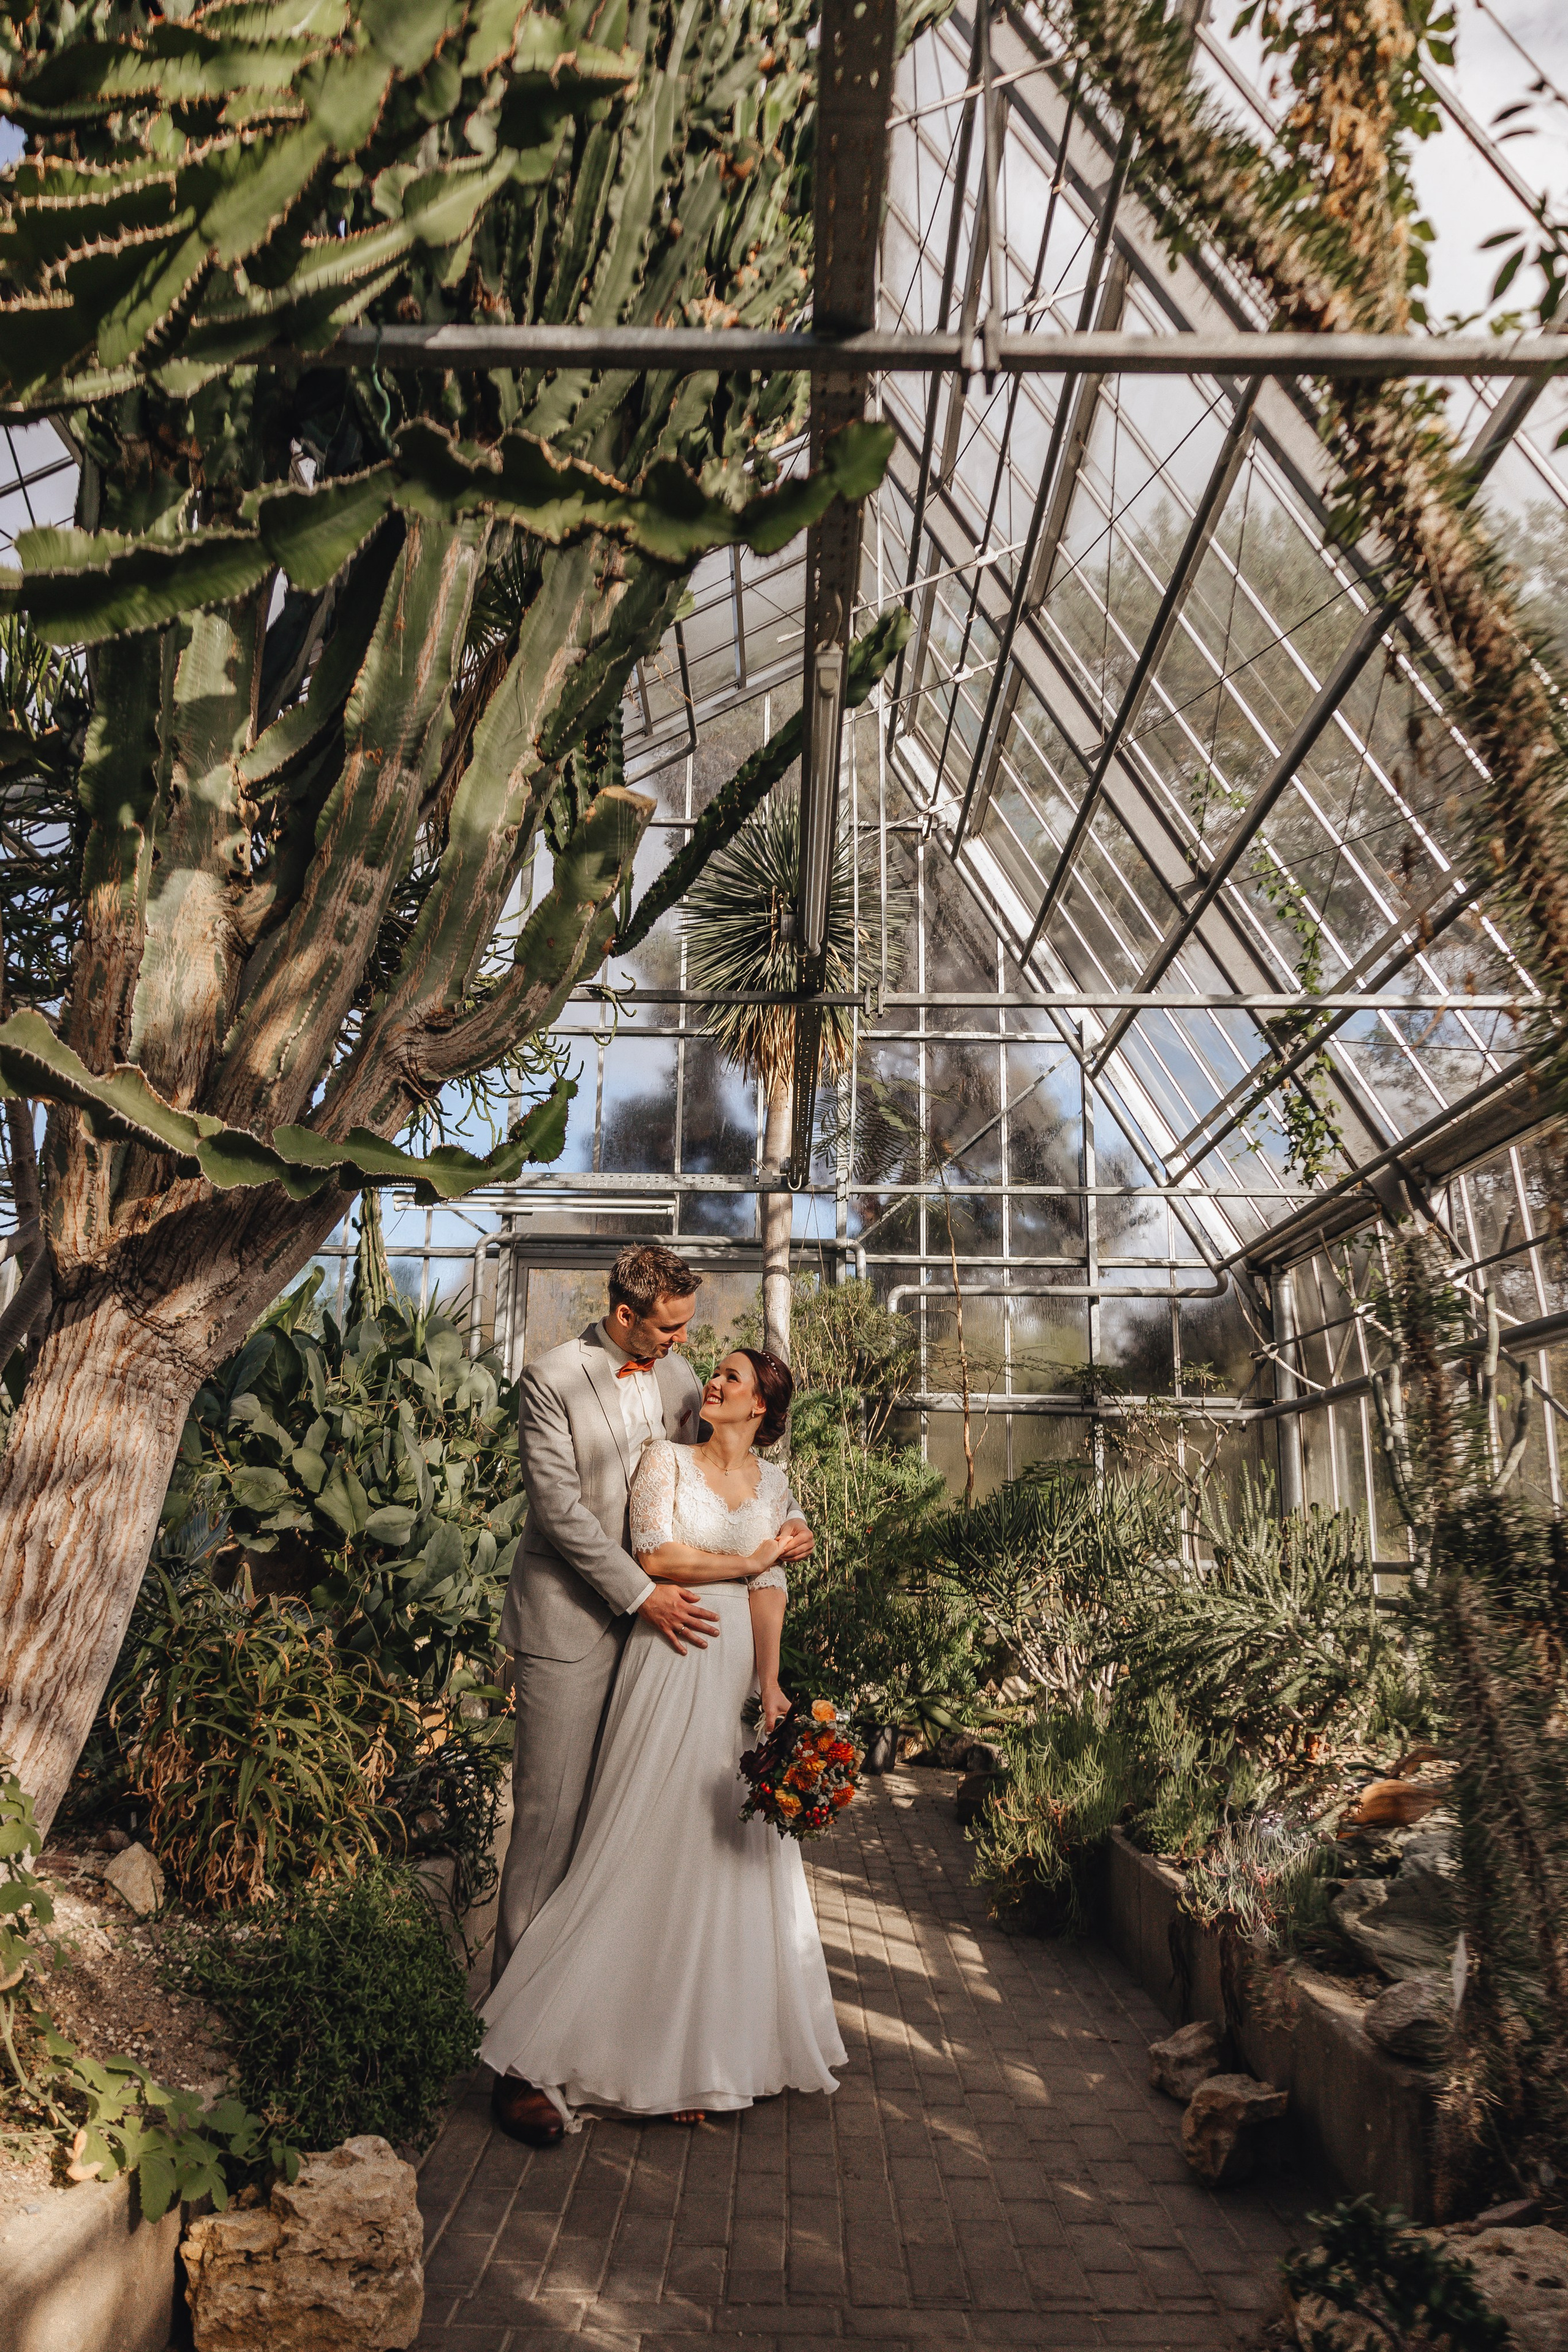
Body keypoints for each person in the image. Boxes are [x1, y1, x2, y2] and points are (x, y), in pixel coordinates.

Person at [480, 1347, 845, 2132]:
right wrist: (748, 1559)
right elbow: (654, 1556)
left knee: (722, 1853)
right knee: (645, 1838)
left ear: (762, 1411)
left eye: (732, 1378)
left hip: (735, 1676)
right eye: (713, 1370)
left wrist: (772, 1684)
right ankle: (574, 2042)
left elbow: (772, 1589)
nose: (711, 1381)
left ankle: (696, 2060)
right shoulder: (663, 1462)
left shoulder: (776, 1486)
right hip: (669, 1659)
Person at [488, 1242, 720, 2149]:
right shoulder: (551, 1378)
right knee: (548, 1831)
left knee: (629, 1838)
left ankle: (616, 2046)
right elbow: (560, 1512)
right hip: (572, 1625)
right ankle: (513, 2064)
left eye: (685, 1328)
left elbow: (714, 1479)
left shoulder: (682, 1378)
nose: (679, 1342)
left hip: (663, 1641)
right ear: (624, 1314)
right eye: (667, 1327)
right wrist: (640, 1592)